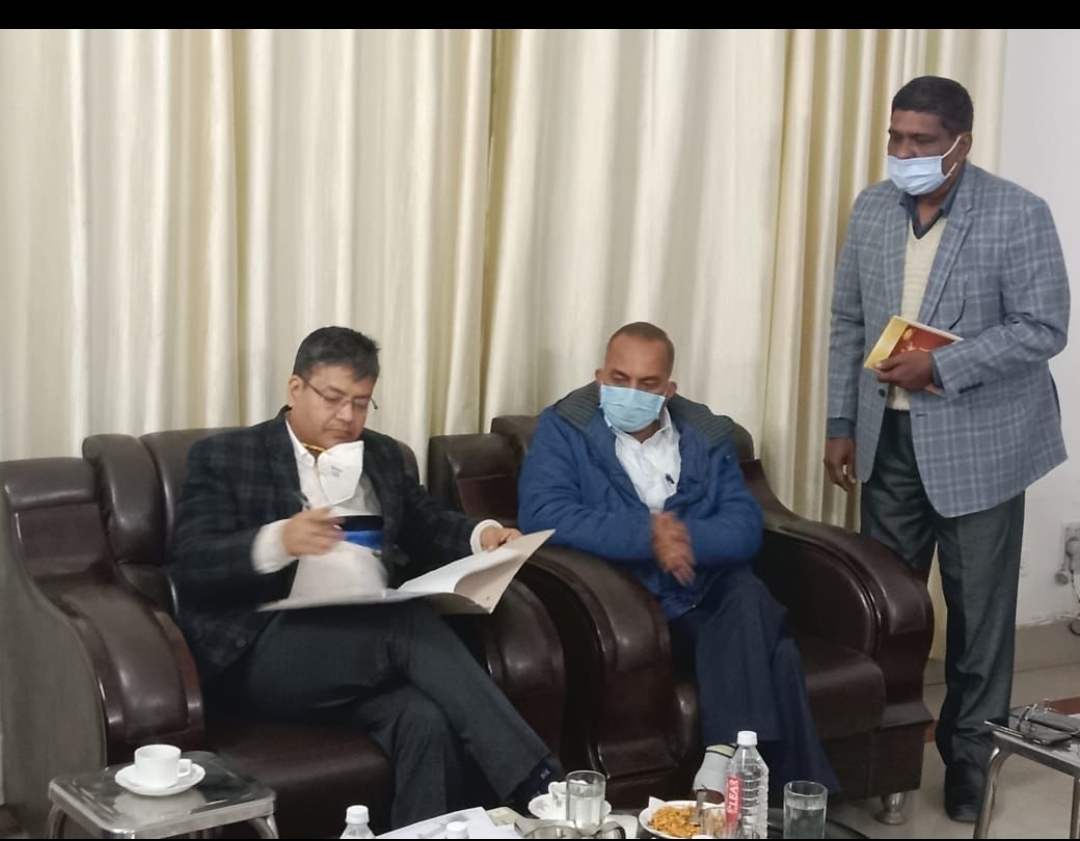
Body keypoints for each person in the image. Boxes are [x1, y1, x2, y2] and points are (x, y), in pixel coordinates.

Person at [168, 326, 560, 828]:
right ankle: (538, 784)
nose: (346, 417)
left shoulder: (381, 454)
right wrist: (279, 540)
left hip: (363, 655)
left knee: (424, 718)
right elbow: (193, 562)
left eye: (360, 403)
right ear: (295, 389)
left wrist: (482, 535)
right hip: (266, 653)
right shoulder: (227, 456)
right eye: (333, 399)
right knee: (405, 620)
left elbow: (426, 522)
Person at [825, 76, 1070, 823]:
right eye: (896, 138)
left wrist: (943, 366)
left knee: (978, 617)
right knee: (889, 611)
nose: (905, 153)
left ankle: (970, 761)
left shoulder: (1017, 213)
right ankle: (885, 758)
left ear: (960, 143)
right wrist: (840, 422)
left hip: (983, 445)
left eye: (922, 142)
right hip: (888, 441)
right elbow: (848, 321)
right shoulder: (872, 207)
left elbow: (1043, 326)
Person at [517, 321, 838, 794]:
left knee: (747, 592)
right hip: (635, 603)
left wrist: (681, 537)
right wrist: (647, 535)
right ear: (600, 377)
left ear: (668, 390)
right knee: (777, 652)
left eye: (647, 384)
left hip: (708, 590)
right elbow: (544, 515)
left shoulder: (706, 433)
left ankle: (721, 761)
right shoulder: (564, 428)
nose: (631, 392)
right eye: (620, 379)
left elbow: (744, 526)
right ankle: (797, 799)